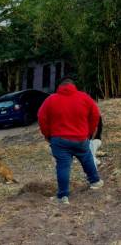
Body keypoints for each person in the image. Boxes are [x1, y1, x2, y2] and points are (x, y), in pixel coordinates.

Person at [38, 76, 103, 205]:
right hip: (81, 138)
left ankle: (63, 196)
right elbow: (96, 114)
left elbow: (41, 116)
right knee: (87, 158)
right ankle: (95, 181)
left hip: (59, 141)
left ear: (60, 87)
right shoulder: (84, 97)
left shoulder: (51, 100)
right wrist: (89, 132)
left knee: (63, 166)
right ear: (73, 86)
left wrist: (47, 135)